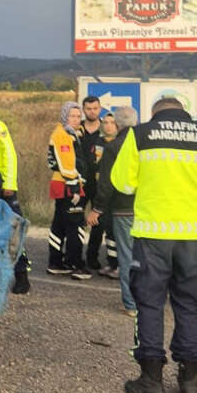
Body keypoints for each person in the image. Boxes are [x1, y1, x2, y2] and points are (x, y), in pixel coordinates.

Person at [109, 97, 197, 393]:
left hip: (153, 234)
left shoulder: (141, 135)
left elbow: (122, 183)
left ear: (155, 115)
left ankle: (151, 381)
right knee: (190, 304)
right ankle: (190, 382)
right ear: (184, 113)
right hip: (195, 235)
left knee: (149, 304)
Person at [88, 106, 138, 315]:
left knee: (126, 257)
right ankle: (150, 300)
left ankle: (132, 305)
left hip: (123, 209)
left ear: (116, 124)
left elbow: (106, 182)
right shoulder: (144, 144)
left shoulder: (114, 146)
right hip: (147, 208)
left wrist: (97, 208)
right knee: (147, 256)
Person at [0, 99, 31, 295]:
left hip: (4, 187)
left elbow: (9, 155)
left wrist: (9, 183)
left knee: (13, 231)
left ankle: (22, 275)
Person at [47, 101, 91, 279]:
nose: (76, 119)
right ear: (65, 116)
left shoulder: (72, 133)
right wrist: (74, 187)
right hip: (68, 186)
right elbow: (66, 164)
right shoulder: (62, 134)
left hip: (62, 184)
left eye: (78, 116)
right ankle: (76, 264)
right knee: (75, 225)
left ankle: (56, 262)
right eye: (72, 116)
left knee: (59, 224)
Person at [90, 112, 120, 278]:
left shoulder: (121, 144)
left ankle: (120, 265)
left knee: (118, 231)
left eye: (112, 122)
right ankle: (111, 262)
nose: (108, 125)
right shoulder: (98, 143)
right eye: (106, 122)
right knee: (108, 230)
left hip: (116, 193)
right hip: (101, 190)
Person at [79, 95, 106, 272]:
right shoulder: (76, 128)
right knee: (76, 220)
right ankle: (75, 256)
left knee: (98, 222)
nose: (92, 111)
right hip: (79, 182)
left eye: (95, 108)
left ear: (100, 108)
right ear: (84, 109)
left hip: (99, 182)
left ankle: (92, 257)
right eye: (88, 109)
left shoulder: (107, 128)